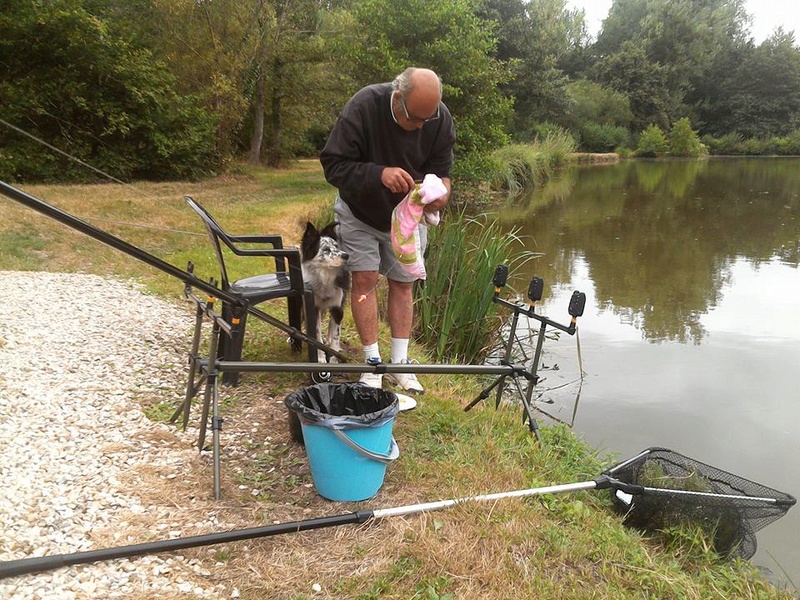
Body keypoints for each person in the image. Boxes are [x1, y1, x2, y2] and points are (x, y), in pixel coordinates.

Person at [319, 67, 456, 394]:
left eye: (428, 118)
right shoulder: (364, 107)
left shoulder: (438, 118)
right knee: (364, 280)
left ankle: (398, 365)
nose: (422, 126)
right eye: (415, 119)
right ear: (397, 99)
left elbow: (444, 173)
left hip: (408, 219)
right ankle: (372, 364)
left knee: (403, 284)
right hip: (360, 212)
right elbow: (333, 165)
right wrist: (379, 174)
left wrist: (442, 195)